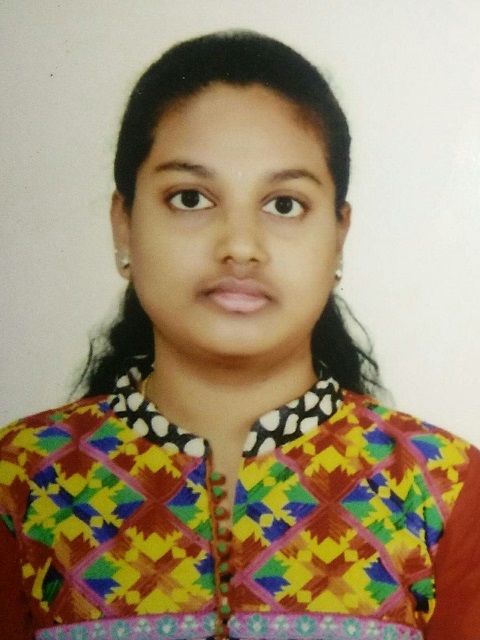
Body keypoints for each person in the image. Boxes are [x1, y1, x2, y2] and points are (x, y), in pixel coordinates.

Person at [0, 30, 479, 640]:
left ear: (338, 236)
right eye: (190, 198)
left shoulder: (445, 489)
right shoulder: (20, 481)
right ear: (124, 226)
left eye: (284, 205)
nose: (241, 247)